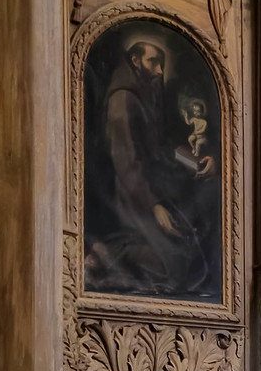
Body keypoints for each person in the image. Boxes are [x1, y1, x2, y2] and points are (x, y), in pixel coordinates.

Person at [85, 29, 218, 302]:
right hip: (129, 196)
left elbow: (162, 147)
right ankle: (104, 255)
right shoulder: (123, 99)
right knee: (174, 263)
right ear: (135, 61)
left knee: (203, 208)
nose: (158, 71)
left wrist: (195, 162)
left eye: (161, 64)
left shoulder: (146, 93)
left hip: (152, 184)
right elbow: (127, 164)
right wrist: (154, 204)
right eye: (152, 62)